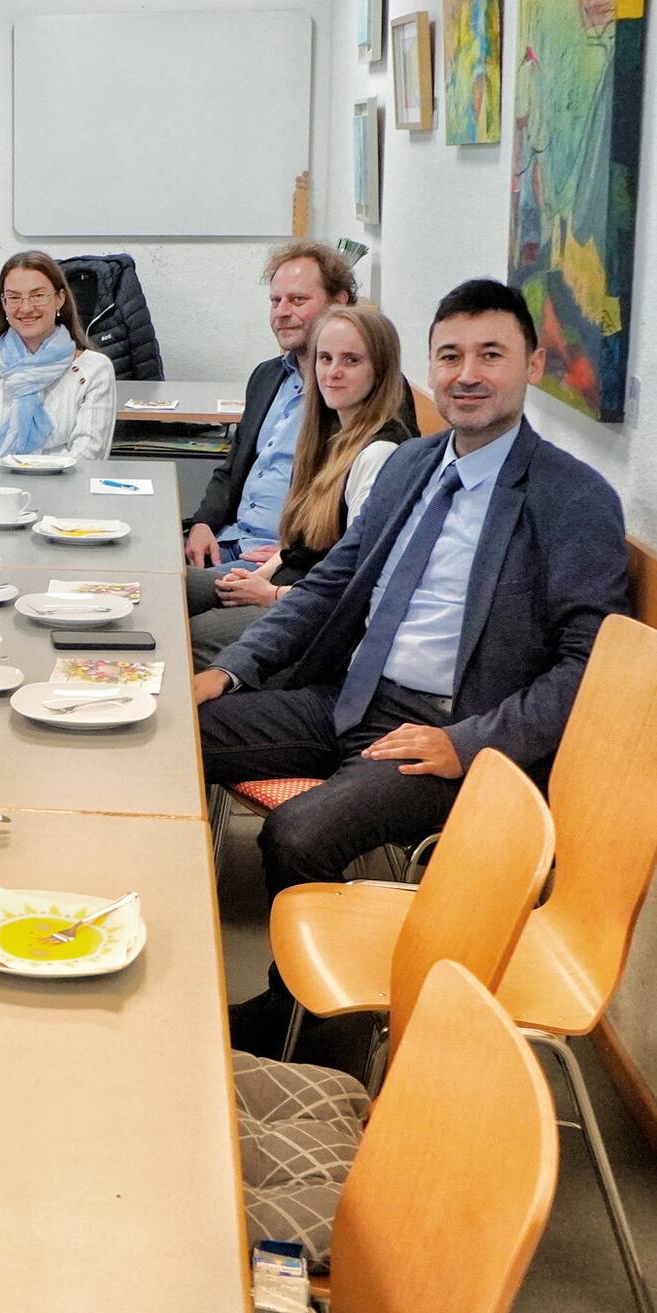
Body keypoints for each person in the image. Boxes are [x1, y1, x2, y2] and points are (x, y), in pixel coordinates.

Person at [195, 279, 629, 1054]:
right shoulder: (411, 465)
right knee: (179, 733)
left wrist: (466, 743)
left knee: (298, 833)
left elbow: (585, 667)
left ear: (533, 365)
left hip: (452, 733)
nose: (467, 374)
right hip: (353, 696)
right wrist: (232, 668)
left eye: (491, 355)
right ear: (428, 367)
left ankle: (315, 1029)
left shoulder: (574, 498)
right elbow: (328, 584)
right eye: (450, 355)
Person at [184, 244, 419, 616]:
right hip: (230, 540)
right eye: (275, 301)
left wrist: (288, 553)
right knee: (138, 572)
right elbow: (232, 468)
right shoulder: (267, 376)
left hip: (284, 563)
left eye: (297, 300)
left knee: (166, 601)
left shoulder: (363, 397)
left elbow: (361, 524)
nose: (282, 312)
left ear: (339, 303)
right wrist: (203, 523)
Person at [0, 250, 116, 461]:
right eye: (14, 297)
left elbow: (87, 458)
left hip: (68, 483)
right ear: (4, 303)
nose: (26, 308)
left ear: (60, 299)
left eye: (38, 295)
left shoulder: (94, 370)